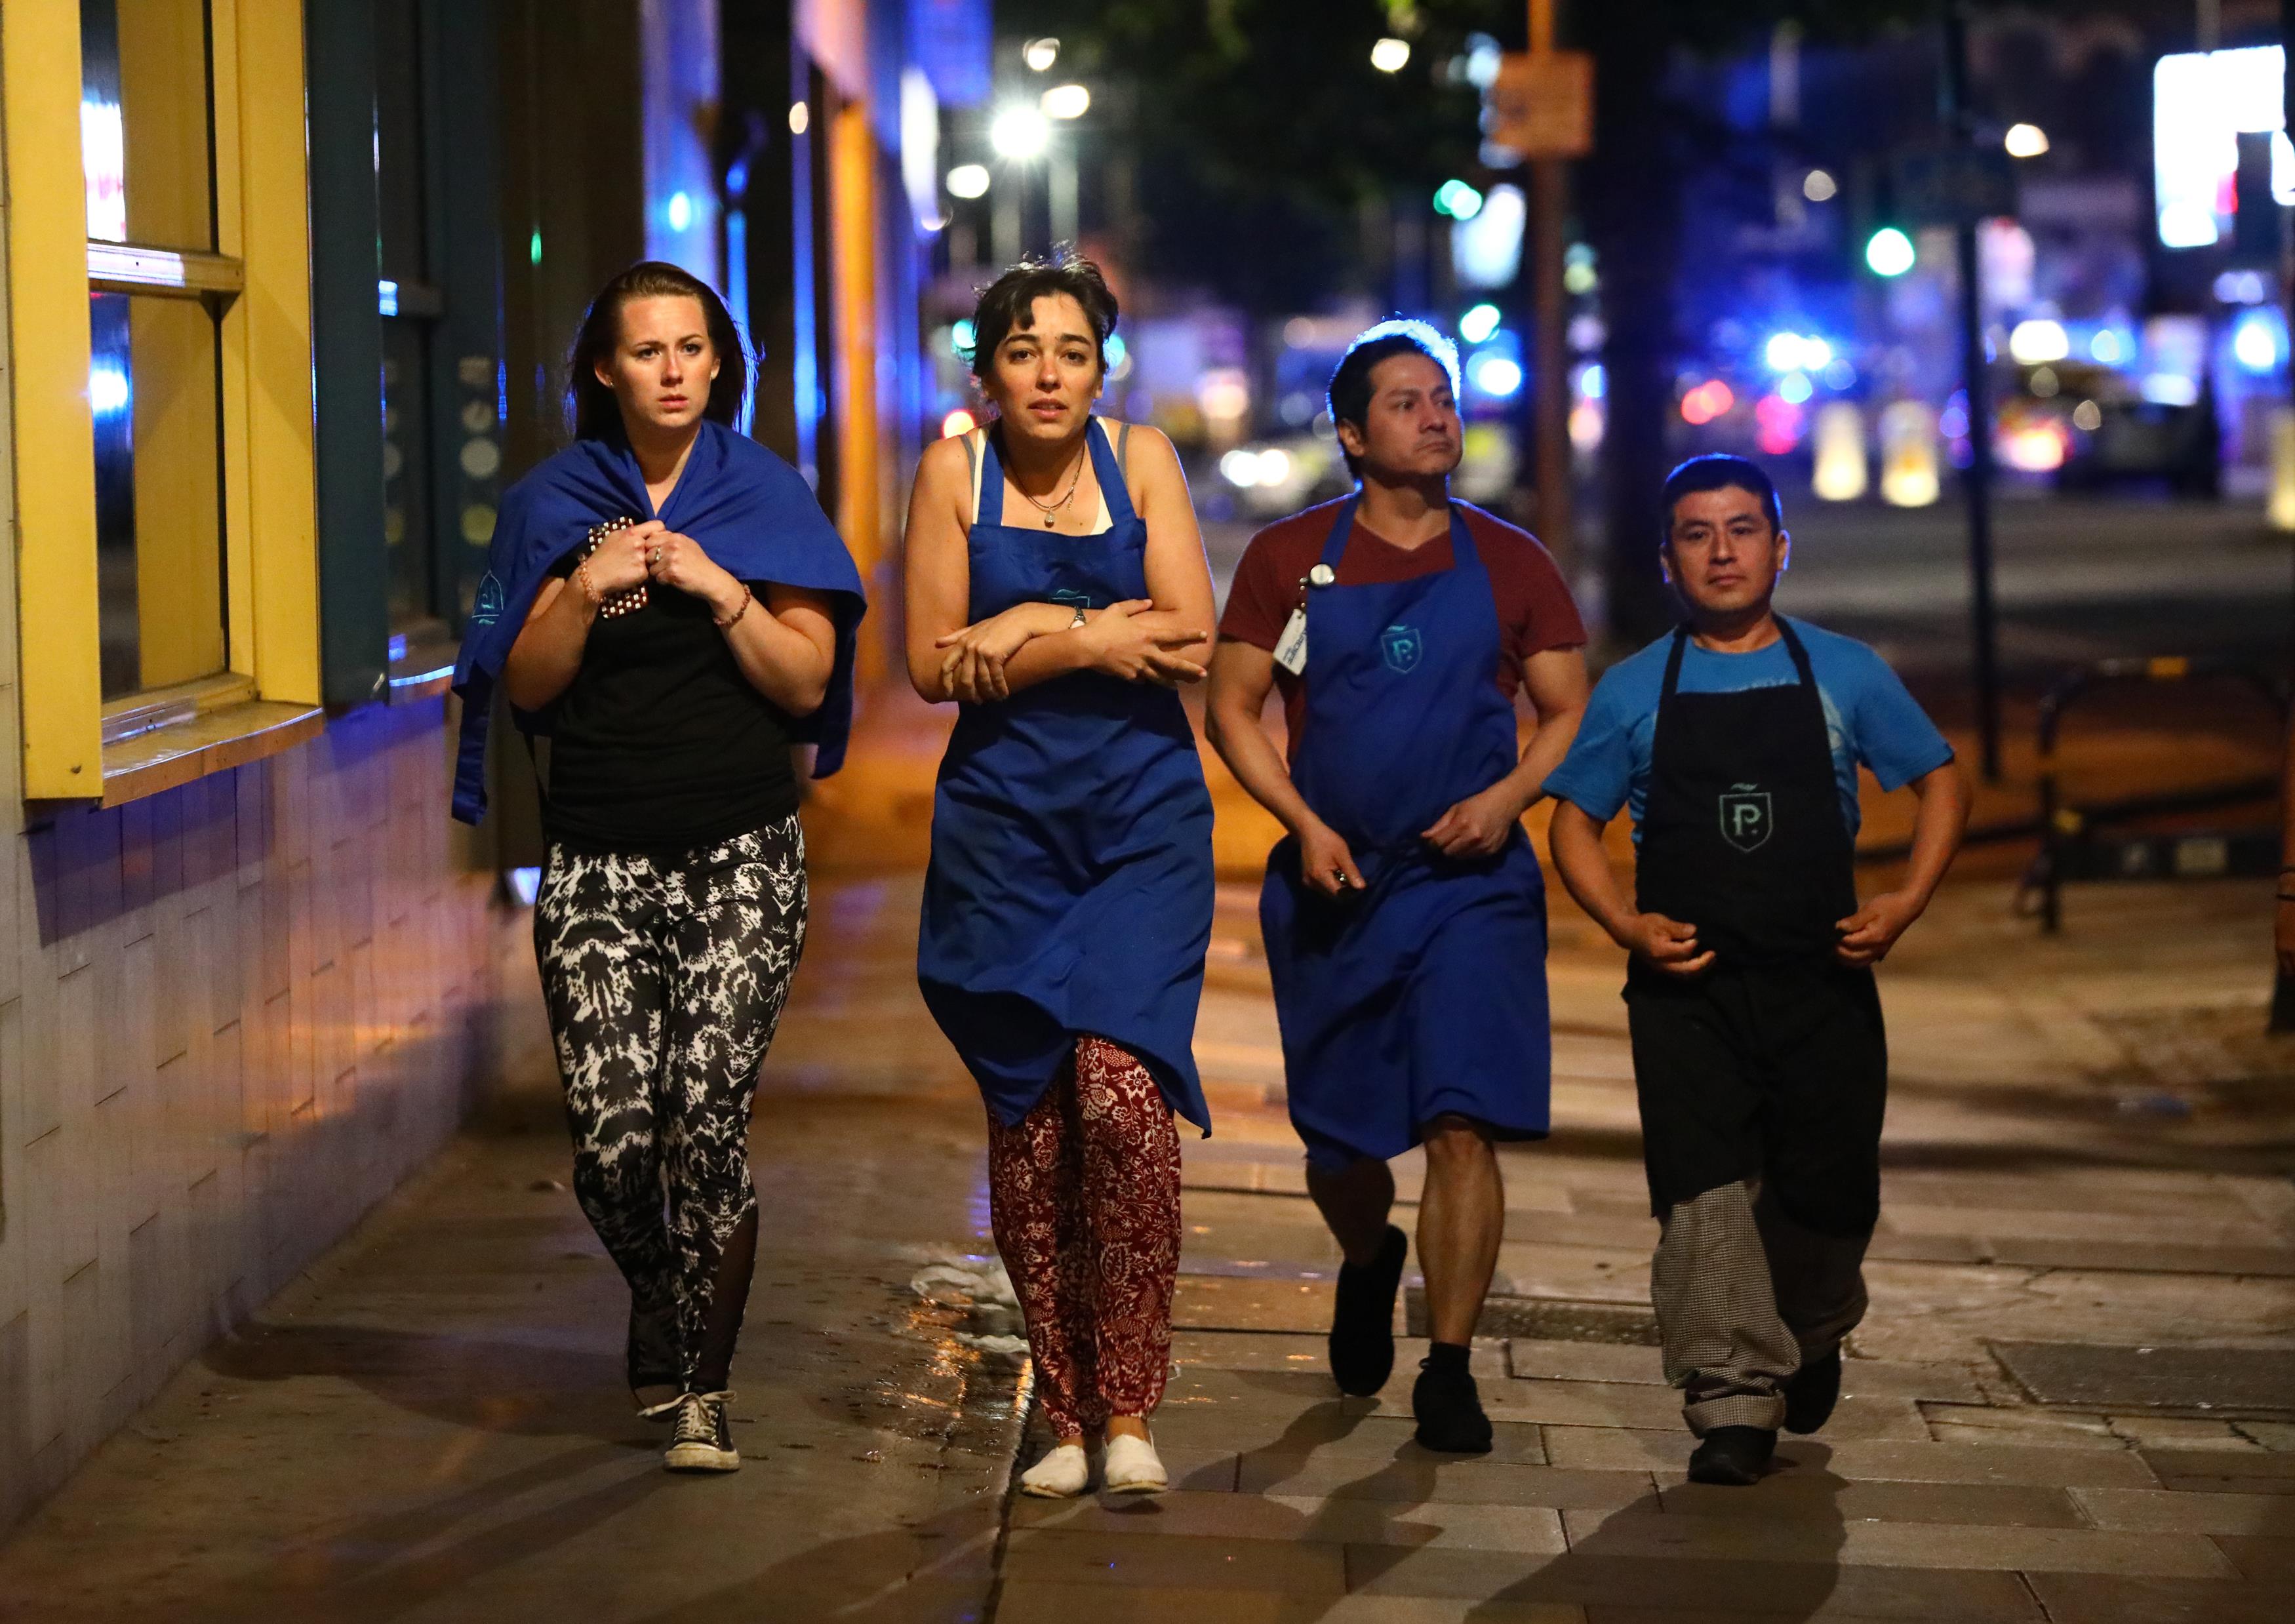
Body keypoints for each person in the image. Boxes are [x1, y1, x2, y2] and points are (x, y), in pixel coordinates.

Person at [450, 262, 867, 1474]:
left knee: (705, 1122)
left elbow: (804, 683)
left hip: (740, 852)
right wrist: (586, 587)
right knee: (615, 1144)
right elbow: (523, 681)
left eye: (694, 348)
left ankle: (703, 1388)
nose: (675, 370)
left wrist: (713, 583)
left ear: (720, 362)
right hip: (596, 863)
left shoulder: (765, 496)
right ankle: (661, 1284)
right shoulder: (550, 504)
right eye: (648, 351)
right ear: (604, 370)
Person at [1545, 454, 1968, 1486]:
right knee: (1703, 1193)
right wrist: (1627, 925)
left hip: (1822, 982)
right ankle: (1730, 1393)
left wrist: (1905, 902)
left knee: (1830, 1189)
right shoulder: (1636, 686)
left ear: (1782, 546)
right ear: (1667, 559)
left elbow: (1941, 781)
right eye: (1697, 532)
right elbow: (1572, 826)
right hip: (1686, 992)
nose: (1722, 550)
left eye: (1743, 529)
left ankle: (1813, 1324)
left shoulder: (1848, 672)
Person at [1205, 322, 1589, 1454]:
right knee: (1341, 1142)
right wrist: (1304, 821)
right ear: (1351, 432)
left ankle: (1452, 1366)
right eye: (1407, 401)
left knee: (1462, 1121)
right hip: (1339, 884)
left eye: (1444, 399)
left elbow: (1569, 708)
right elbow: (1235, 705)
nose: (1436, 416)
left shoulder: (1513, 559)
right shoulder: (1289, 561)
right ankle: (1368, 1257)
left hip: (1470, 885)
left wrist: (1510, 796)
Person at [904, 254, 1217, 1499]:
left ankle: (1132, 1401)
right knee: (1033, 1122)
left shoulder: (1144, 460)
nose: (1049, 371)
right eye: (1025, 349)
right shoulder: (951, 471)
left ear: (1103, 367)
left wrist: (1015, 635)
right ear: (987, 369)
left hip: (1141, 819)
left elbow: (1187, 636)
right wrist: (1089, 633)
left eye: (1074, 350)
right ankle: (1067, 1410)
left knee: (1121, 1096)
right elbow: (933, 668)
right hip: (1001, 834)